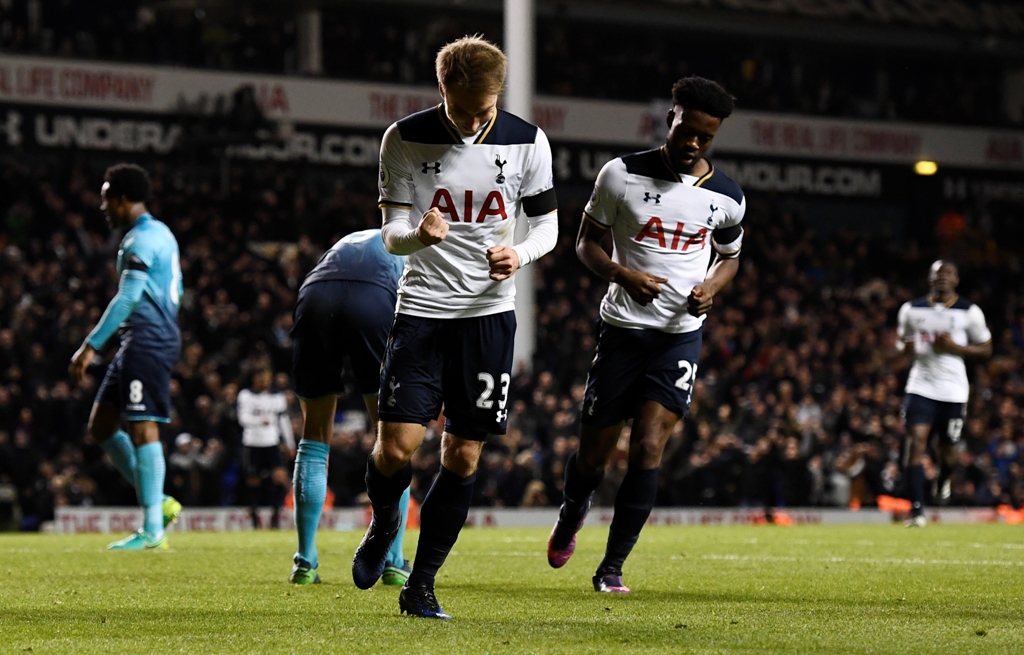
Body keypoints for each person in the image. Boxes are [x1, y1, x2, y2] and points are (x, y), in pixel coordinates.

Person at [351, 35, 559, 619]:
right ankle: (386, 519)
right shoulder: (404, 138)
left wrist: (519, 254)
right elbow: (391, 231)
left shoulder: (528, 141)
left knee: (463, 456)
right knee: (396, 449)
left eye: (485, 108)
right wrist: (421, 235)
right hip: (421, 310)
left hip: (489, 318)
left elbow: (547, 227)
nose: (474, 120)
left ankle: (422, 583)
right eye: (464, 107)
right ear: (442, 87)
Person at [546, 76, 744, 593]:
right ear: (672, 116)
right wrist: (623, 275)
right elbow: (586, 244)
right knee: (592, 456)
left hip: (680, 335)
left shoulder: (726, 195)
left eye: (707, 137)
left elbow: (730, 259)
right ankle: (573, 510)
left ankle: (612, 567)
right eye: (689, 130)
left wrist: (713, 288)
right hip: (623, 332)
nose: (695, 143)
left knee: (649, 445)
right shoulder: (621, 174)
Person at [288, 229, 412, 586]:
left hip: (315, 294)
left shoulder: (354, 238)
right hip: (373, 298)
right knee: (393, 437)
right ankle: (393, 558)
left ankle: (305, 560)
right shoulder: (415, 243)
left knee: (314, 435)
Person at [68, 163, 183, 550]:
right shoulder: (160, 233)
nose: (102, 206)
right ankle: (160, 501)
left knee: (142, 426)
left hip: (149, 338)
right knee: (101, 426)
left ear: (120, 199)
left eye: (105, 198)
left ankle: (153, 529)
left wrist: (90, 346)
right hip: (142, 338)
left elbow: (130, 296)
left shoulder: (139, 240)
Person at [896, 260, 991, 527]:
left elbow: (986, 348)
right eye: (937, 273)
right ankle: (917, 511)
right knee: (916, 443)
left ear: (957, 280)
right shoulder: (912, 309)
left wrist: (956, 347)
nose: (942, 278)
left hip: (953, 391)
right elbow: (900, 342)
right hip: (920, 386)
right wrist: (907, 347)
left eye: (948, 273)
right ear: (929, 278)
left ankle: (944, 477)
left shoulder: (969, 312)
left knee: (947, 451)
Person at [237, 367, 295, 529]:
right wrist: (260, 421)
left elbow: (284, 421)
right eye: (261, 377)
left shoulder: (277, 397)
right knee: (254, 481)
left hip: (272, 442)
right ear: (254, 378)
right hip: (252, 442)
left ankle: (275, 516)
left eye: (267, 377)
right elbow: (242, 418)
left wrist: (290, 444)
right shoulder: (246, 395)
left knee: (280, 477)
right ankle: (254, 518)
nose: (265, 381)